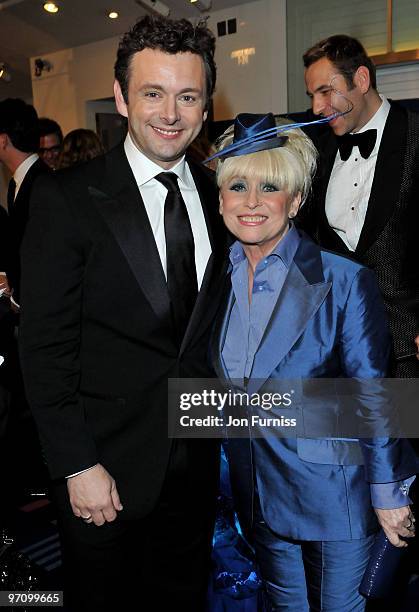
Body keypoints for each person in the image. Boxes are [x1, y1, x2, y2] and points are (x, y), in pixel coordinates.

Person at [19, 15, 228, 612]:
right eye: (152, 93)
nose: (170, 112)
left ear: (206, 103)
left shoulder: (223, 196)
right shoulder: (67, 199)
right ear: (121, 97)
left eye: (187, 96)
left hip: (195, 460)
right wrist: (76, 463)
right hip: (102, 470)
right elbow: (44, 349)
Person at [211, 113, 418, 611]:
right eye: (238, 186)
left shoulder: (345, 279)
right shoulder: (211, 279)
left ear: (297, 201)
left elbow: (374, 392)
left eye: (270, 187)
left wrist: (389, 493)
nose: (252, 201)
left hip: (335, 497)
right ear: (220, 199)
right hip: (257, 495)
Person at [301, 34, 419, 377]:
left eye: (325, 91)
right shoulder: (318, 150)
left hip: (407, 351)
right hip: (338, 351)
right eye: (312, 96)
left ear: (362, 79)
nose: (316, 108)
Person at [0, 99, 49, 307]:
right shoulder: (16, 183)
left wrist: (19, 298)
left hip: (42, 307)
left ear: (3, 140)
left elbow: (44, 254)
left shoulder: (45, 184)